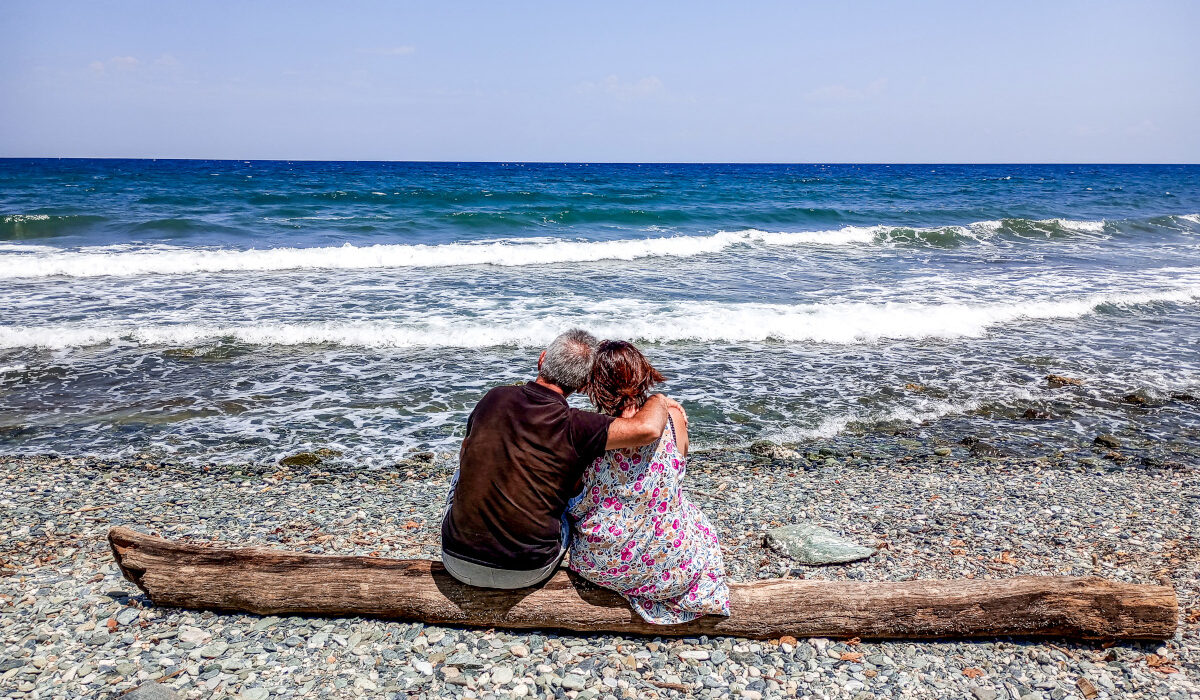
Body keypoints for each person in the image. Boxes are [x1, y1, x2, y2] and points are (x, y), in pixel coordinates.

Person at [440, 329, 684, 589]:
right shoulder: (578, 426)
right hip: (526, 570)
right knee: (566, 508)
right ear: (582, 386)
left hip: (456, 559)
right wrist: (659, 399)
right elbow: (646, 429)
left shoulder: (493, 398)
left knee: (467, 465)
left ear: (542, 359)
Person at [567, 340, 730, 624]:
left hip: (599, 564)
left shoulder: (590, 430)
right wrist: (662, 401)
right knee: (696, 519)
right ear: (644, 375)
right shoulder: (673, 417)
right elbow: (677, 472)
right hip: (671, 565)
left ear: (594, 385)